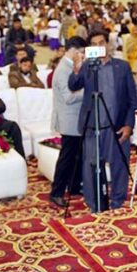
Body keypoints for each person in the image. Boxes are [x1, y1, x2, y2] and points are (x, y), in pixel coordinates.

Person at [69, 30, 137, 212]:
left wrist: (129, 125)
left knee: (119, 167)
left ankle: (117, 203)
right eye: (95, 44)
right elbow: (73, 85)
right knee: (90, 168)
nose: (99, 46)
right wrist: (76, 68)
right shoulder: (87, 67)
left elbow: (132, 99)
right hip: (92, 126)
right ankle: (94, 205)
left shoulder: (122, 67)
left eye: (102, 42)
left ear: (107, 44)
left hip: (117, 127)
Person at [49, 36, 86, 208]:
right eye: (81, 52)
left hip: (76, 119)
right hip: (68, 120)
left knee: (77, 156)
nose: (83, 56)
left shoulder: (72, 67)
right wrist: (88, 91)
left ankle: (74, 186)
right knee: (67, 158)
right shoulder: (63, 70)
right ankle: (56, 192)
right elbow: (69, 97)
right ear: (73, 51)